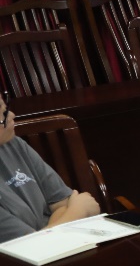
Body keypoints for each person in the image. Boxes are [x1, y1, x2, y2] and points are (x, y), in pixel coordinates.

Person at [0, 93, 101, 242]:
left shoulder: (14, 144)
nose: (12, 115)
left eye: (5, 107)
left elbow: (61, 203)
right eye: (3, 113)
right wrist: (79, 210)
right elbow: (26, 246)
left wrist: (48, 232)